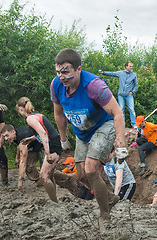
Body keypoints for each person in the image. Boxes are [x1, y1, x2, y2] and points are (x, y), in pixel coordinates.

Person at [51, 49, 128, 227]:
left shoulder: (94, 85)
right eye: (58, 72)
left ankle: (104, 215)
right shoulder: (56, 85)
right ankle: (110, 198)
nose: (61, 76)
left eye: (66, 71)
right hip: (82, 132)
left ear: (78, 69)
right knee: (82, 176)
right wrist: (63, 139)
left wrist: (120, 142)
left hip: (104, 126)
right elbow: (58, 113)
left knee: (92, 169)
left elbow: (117, 113)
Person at [16, 97, 62, 201]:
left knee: (43, 175)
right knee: (49, 175)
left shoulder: (30, 118)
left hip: (52, 145)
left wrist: (47, 152)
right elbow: (44, 131)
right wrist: (31, 138)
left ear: (20, 109)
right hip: (54, 142)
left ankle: (54, 202)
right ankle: (55, 199)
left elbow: (43, 133)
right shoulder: (36, 115)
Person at [99, 61, 138, 127]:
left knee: (131, 109)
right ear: (126, 67)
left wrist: (133, 92)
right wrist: (103, 73)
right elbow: (112, 73)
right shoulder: (120, 73)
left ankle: (134, 124)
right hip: (121, 95)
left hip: (129, 95)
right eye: (130, 66)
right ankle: (122, 124)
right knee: (121, 110)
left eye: (132, 66)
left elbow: (136, 85)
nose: (131, 67)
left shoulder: (134, 75)